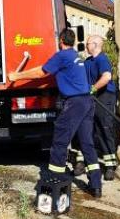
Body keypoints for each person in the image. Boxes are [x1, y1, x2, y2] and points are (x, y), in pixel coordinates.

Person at [8, 28, 103, 197]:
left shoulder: (62, 56)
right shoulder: (76, 56)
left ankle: (55, 183)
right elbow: (45, 68)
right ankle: (96, 186)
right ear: (73, 42)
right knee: (87, 143)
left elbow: (41, 72)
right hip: (86, 102)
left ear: (60, 42)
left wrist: (17, 76)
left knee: (60, 141)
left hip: (74, 103)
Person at [82, 35, 119, 180]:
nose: (86, 46)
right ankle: (87, 162)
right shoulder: (88, 61)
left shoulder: (102, 59)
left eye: (88, 43)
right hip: (93, 98)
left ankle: (110, 166)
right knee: (93, 129)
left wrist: (93, 88)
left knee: (105, 129)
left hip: (105, 97)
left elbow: (106, 77)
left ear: (96, 45)